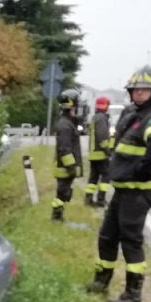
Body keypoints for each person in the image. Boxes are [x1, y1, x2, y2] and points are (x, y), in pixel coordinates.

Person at [85, 67, 151, 302]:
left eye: (145, 90)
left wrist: (142, 168)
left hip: (138, 189)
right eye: (136, 90)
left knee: (130, 240)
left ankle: (133, 295)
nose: (139, 94)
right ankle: (101, 282)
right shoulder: (134, 112)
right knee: (108, 236)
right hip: (125, 188)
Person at [52, 89, 83, 221]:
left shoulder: (67, 123)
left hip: (65, 167)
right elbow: (64, 149)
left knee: (63, 193)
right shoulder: (65, 126)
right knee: (62, 193)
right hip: (65, 168)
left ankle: (58, 214)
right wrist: (71, 168)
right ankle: (57, 216)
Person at [85, 95, 112, 207]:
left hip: (93, 154)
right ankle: (100, 199)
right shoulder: (102, 118)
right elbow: (102, 137)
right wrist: (108, 151)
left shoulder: (95, 117)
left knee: (93, 178)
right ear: (105, 106)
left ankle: (88, 199)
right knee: (106, 175)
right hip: (100, 154)